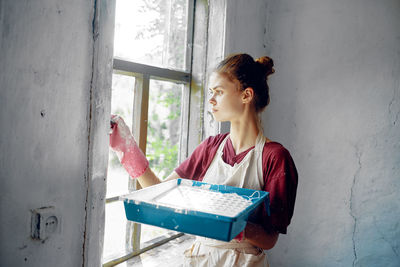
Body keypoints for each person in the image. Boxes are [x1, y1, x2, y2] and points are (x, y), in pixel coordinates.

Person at [109, 53, 298, 267]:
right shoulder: (210, 147)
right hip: (200, 259)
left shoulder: (275, 157)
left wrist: (233, 225)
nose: (211, 100)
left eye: (219, 92)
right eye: (211, 92)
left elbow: (270, 238)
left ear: (246, 95)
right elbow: (161, 194)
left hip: (243, 262)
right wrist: (128, 151)